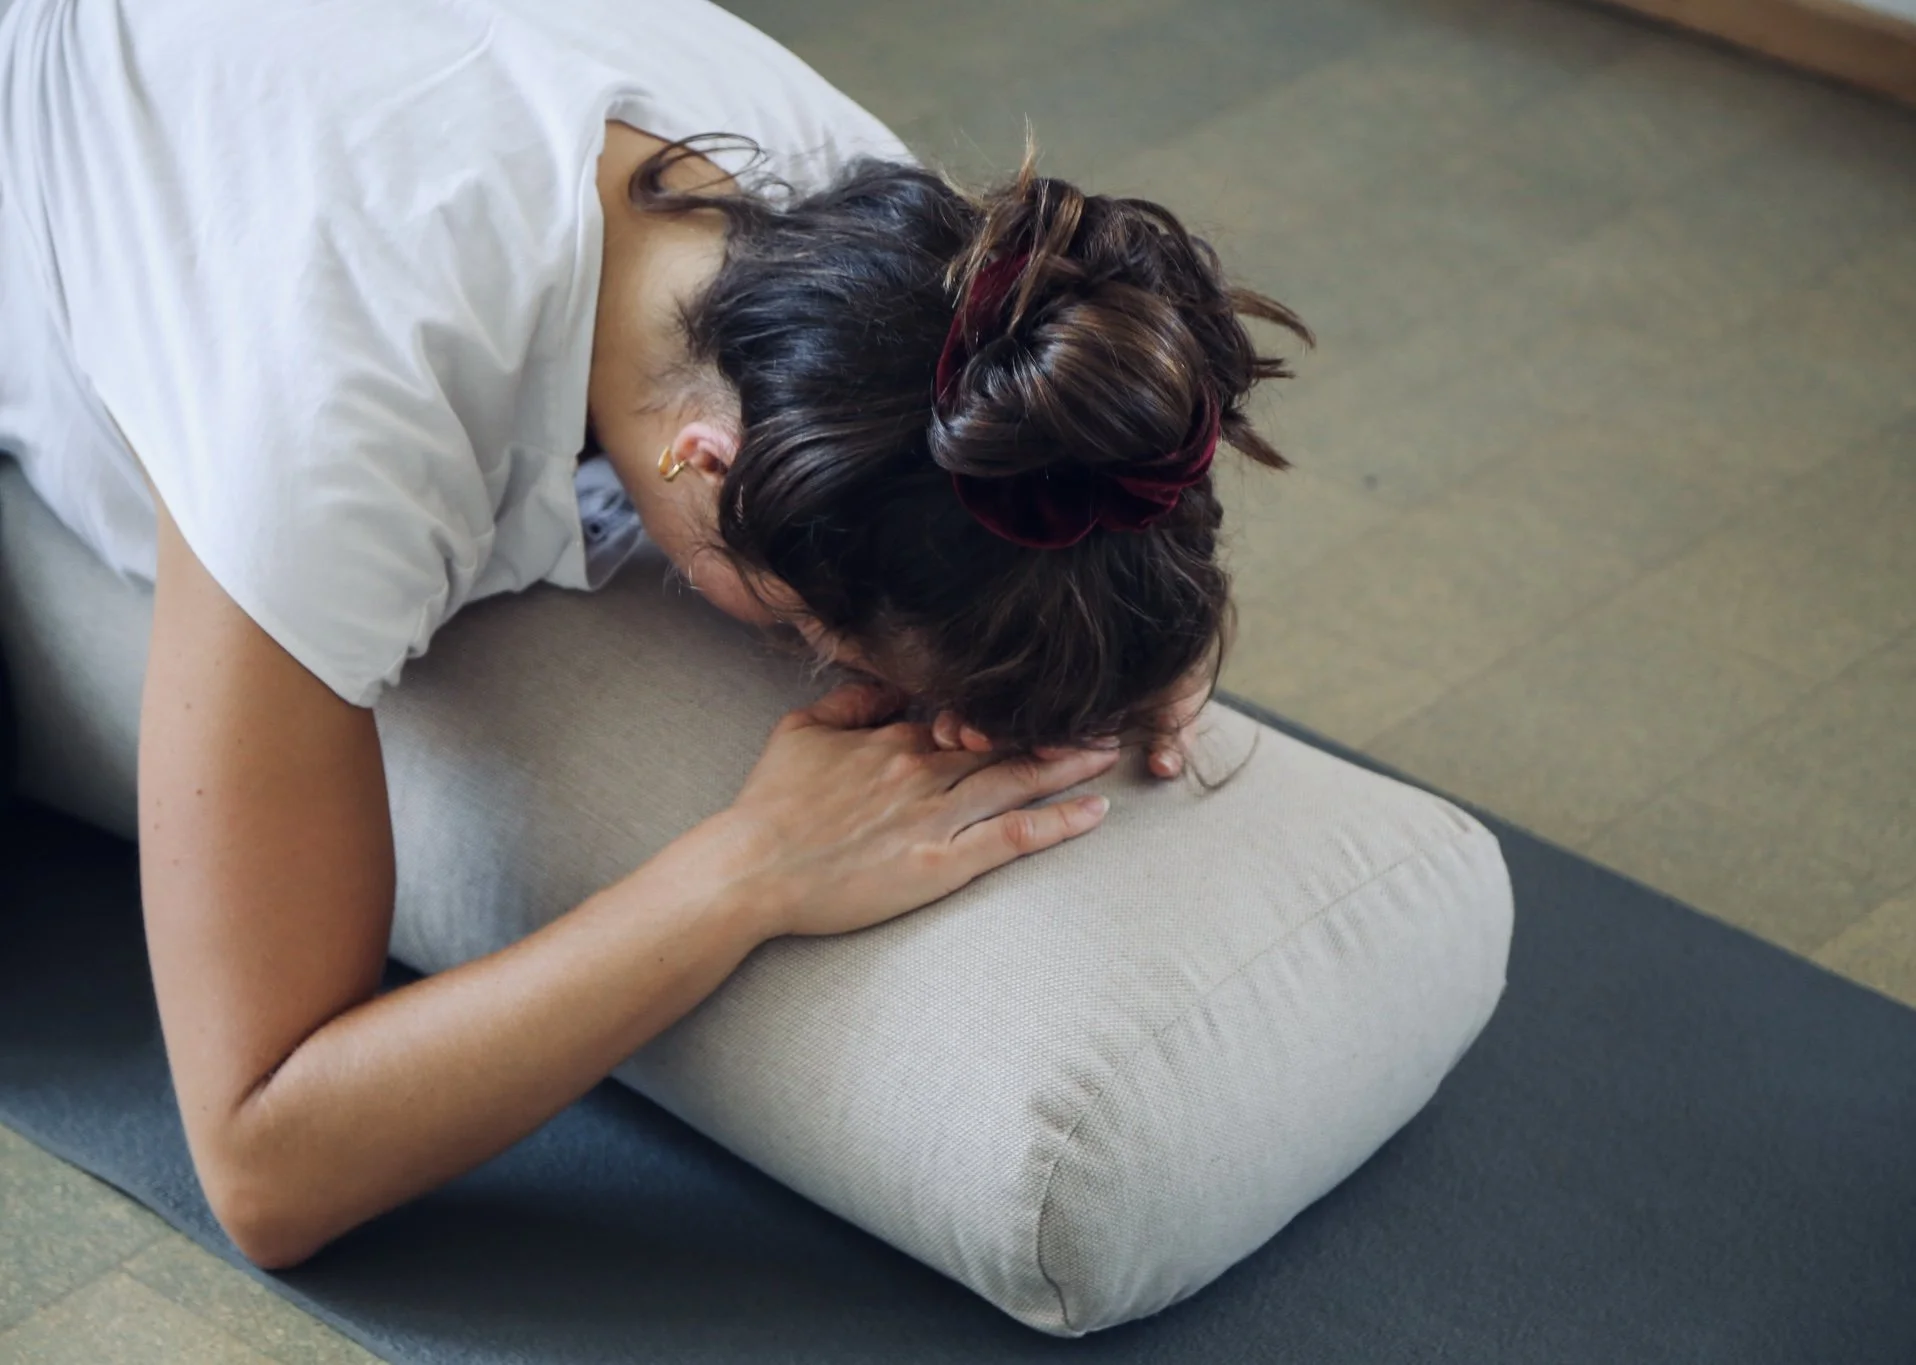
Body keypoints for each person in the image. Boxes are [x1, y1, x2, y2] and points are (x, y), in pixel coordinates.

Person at [0, 0, 1309, 1267]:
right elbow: (262, 1161)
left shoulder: (896, 252)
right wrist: (749, 869)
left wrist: (1139, 605)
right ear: (707, 463)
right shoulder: (339, 429)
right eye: (824, 643)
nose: (834, 671)